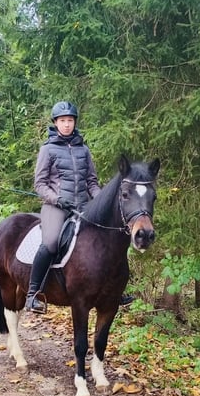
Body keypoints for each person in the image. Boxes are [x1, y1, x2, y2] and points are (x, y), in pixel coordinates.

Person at [24, 101, 134, 313]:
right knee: (51, 242)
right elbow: (40, 184)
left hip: (84, 206)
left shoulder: (84, 149)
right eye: (63, 121)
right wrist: (56, 199)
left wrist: (100, 201)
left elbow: (91, 182)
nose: (67, 124)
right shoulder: (47, 149)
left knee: (108, 242)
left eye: (70, 121)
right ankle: (33, 293)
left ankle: (113, 291)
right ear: (56, 123)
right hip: (55, 206)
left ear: (74, 123)